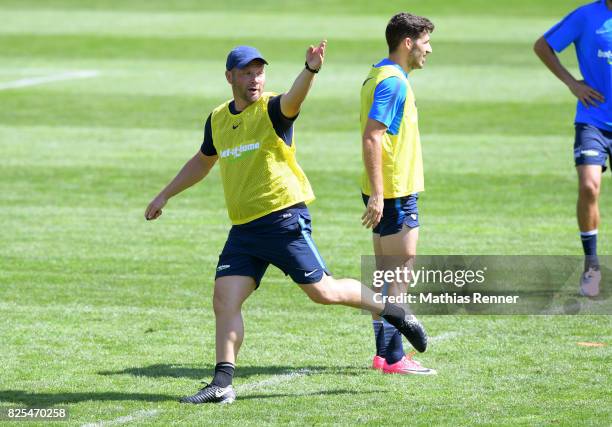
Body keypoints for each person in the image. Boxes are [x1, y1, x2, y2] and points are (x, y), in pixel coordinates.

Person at [145, 42, 429, 404]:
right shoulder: (218, 118)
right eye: (246, 73)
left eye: (259, 72)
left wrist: (310, 70)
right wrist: (165, 195)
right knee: (224, 299)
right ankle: (222, 383)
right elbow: (203, 161)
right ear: (230, 76)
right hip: (245, 229)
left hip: (283, 220)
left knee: (323, 292)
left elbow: (294, 99)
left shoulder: (273, 109)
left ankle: (393, 311)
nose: (254, 79)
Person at [360, 13, 437, 375]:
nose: (429, 49)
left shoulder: (379, 73)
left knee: (383, 274)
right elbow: (372, 136)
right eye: (425, 42)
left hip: (385, 189)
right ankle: (393, 357)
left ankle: (383, 353)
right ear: (407, 43)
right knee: (398, 274)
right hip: (393, 191)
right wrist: (379, 194)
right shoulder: (394, 83)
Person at [534, 0, 611, 297]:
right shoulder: (586, 16)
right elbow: (542, 46)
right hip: (592, 119)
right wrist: (572, 84)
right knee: (589, 187)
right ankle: (591, 266)